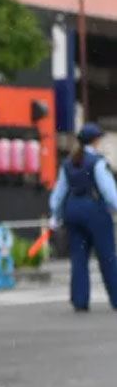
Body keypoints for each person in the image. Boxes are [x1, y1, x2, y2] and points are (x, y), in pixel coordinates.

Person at [50, 122, 117, 312]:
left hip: (73, 211)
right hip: (94, 211)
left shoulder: (68, 163)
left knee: (78, 258)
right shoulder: (98, 162)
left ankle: (79, 300)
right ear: (95, 140)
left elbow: (59, 193)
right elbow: (108, 191)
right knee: (107, 257)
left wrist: (55, 214)